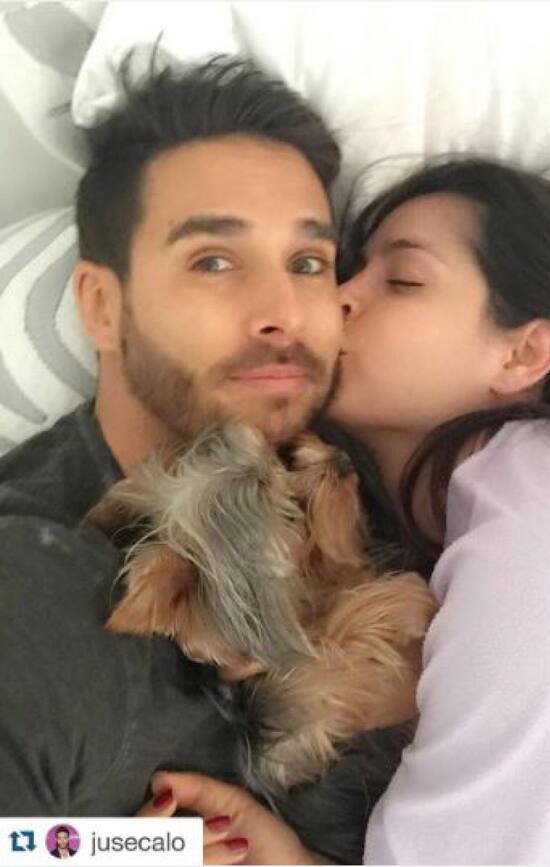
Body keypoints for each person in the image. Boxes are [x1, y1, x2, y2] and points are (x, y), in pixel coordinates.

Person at [138, 157, 550, 865]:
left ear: (524, 353)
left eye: (402, 280)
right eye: (346, 272)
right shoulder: (481, 526)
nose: (338, 298)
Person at [0, 49, 350, 826]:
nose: (282, 312)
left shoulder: (367, 484)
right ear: (102, 307)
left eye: (307, 261)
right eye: (213, 260)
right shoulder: (35, 594)